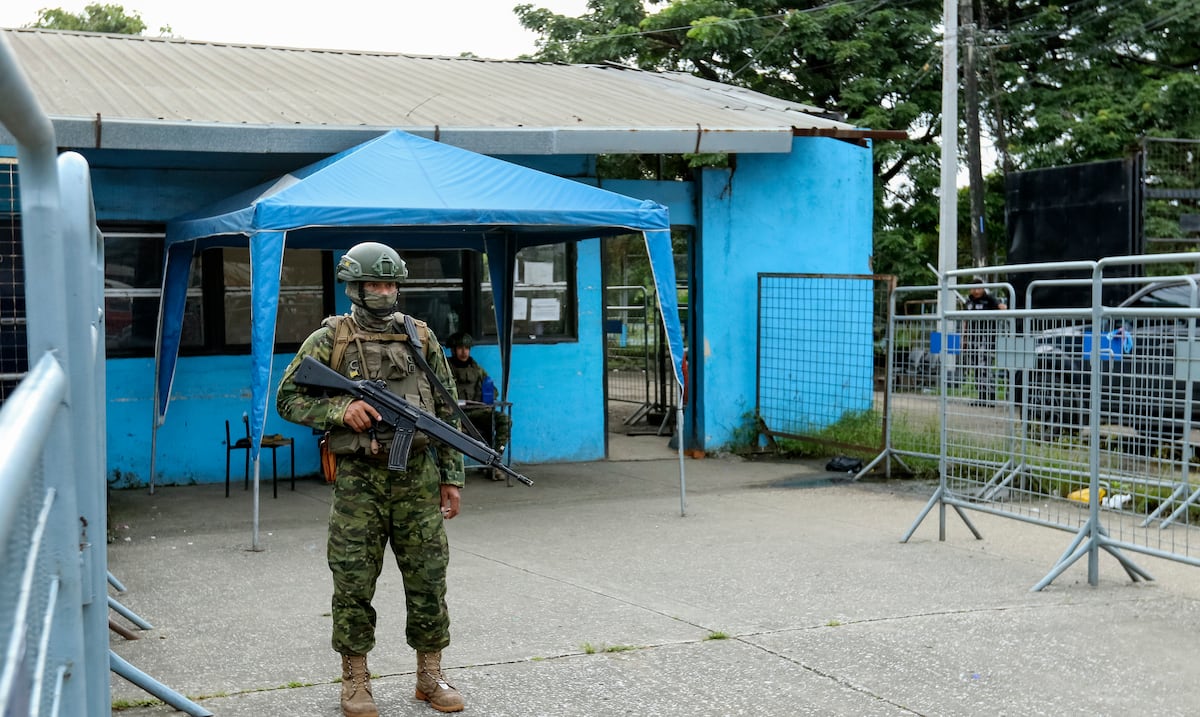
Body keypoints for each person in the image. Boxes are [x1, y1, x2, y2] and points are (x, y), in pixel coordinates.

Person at [276, 242, 466, 715]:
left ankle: (429, 675)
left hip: (418, 479)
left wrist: (451, 477)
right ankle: (356, 680)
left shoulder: (421, 337)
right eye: (376, 284)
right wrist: (342, 409)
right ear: (355, 288)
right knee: (354, 581)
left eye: (391, 283)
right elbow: (287, 400)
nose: (386, 292)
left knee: (428, 579)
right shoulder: (328, 340)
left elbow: (447, 411)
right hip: (360, 483)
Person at [445, 332, 512, 481]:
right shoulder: (445, 369)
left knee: (504, 420)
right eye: (460, 348)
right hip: (455, 415)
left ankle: (495, 461)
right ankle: (449, 473)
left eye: (467, 348)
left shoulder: (477, 369)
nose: (464, 352)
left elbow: (493, 391)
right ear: (453, 350)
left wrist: (487, 396)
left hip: (477, 412)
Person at [962, 277, 1007, 405]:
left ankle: (990, 396)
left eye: (978, 288)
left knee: (984, 367)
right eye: (973, 288)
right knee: (977, 367)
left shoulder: (989, 299)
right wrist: (964, 338)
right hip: (973, 338)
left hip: (986, 339)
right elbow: (966, 321)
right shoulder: (969, 302)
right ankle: (981, 396)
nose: (975, 291)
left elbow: (1002, 308)